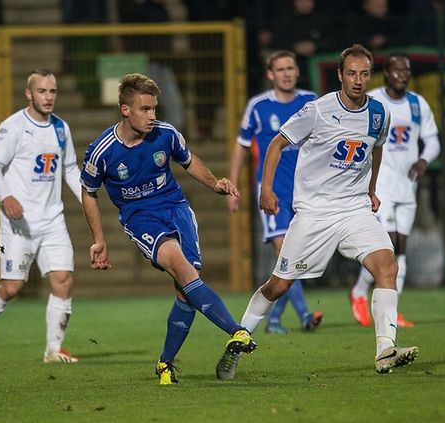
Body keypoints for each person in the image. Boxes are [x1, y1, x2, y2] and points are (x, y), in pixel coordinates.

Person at [216, 44, 419, 380]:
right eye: (351, 73)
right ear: (339, 75)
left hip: (354, 209)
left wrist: (370, 190)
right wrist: (265, 189)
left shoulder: (379, 113)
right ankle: (238, 339)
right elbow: (276, 143)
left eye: (364, 74)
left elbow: (376, 150)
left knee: (387, 266)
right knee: (279, 285)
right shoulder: (319, 109)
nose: (358, 80)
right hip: (315, 212)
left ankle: (384, 350)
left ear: (371, 75)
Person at [80, 73, 256, 385]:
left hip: (177, 210)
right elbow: (88, 192)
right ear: (125, 110)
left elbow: (188, 161)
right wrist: (99, 239)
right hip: (141, 218)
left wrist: (215, 183)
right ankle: (236, 331)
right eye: (145, 109)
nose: (152, 116)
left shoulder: (166, 134)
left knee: (185, 291)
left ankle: (164, 364)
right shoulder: (102, 150)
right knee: (183, 269)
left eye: (154, 109)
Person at [0, 69, 81, 366]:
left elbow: (69, 169)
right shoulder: (13, 127)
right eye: (42, 91)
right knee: (11, 288)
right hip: (17, 226)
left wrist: (87, 199)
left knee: (63, 280)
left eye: (52, 91)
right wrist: (6, 197)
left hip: (53, 219)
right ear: (29, 93)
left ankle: (53, 351)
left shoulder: (60, 128)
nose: (48, 97)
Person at [228, 50, 322, 335]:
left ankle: (274, 319)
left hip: (307, 191)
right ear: (271, 74)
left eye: (291, 68)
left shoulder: (311, 102)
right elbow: (242, 145)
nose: (286, 73)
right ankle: (305, 315)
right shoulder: (258, 106)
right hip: (272, 191)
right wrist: (233, 186)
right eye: (280, 69)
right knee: (284, 251)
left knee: (295, 258)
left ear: (297, 71)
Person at [349, 53, 441, 328]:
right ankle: (360, 296)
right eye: (396, 70)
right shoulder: (374, 100)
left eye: (406, 71)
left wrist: (425, 160)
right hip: (381, 187)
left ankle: (390, 310)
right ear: (386, 73)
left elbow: (433, 140)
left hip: (407, 189)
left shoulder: (417, 104)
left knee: (401, 250)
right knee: (389, 247)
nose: (402, 75)